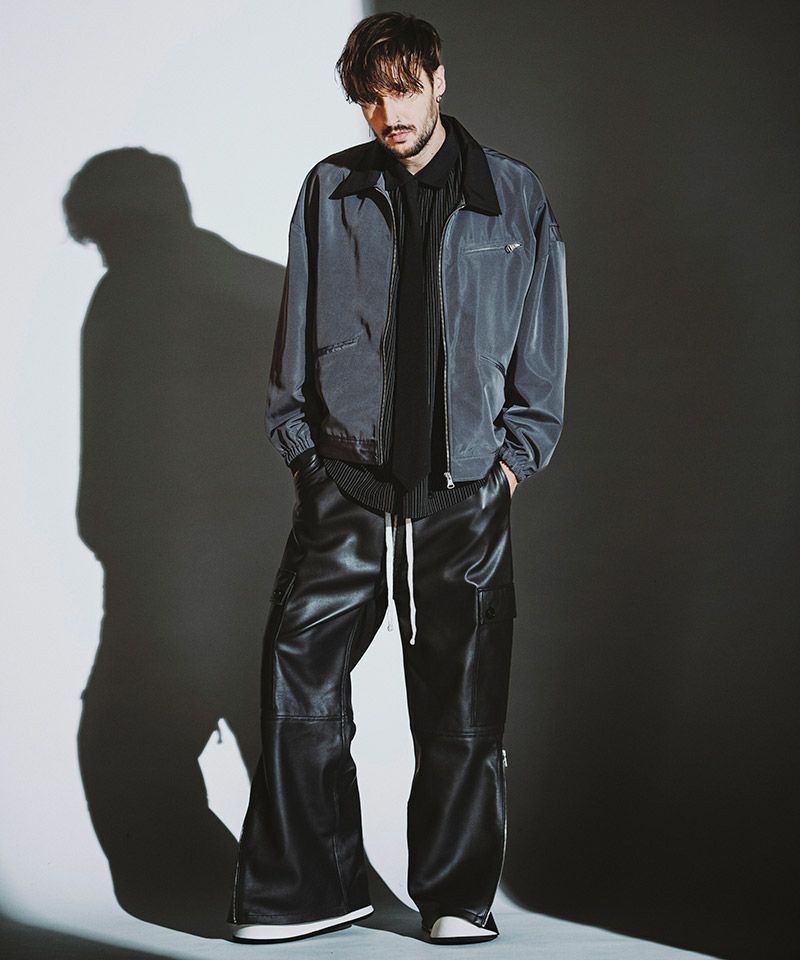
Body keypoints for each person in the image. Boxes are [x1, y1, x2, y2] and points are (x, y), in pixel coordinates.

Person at [227, 11, 568, 946]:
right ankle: (310, 888)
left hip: (463, 494)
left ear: (439, 79)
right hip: (347, 487)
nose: (390, 114)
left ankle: (455, 898)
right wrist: (307, 459)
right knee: (299, 687)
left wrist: (511, 467)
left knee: (463, 709)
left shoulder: (514, 196)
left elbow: (541, 350)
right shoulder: (330, 189)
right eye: (372, 98)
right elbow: (295, 333)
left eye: (405, 90)